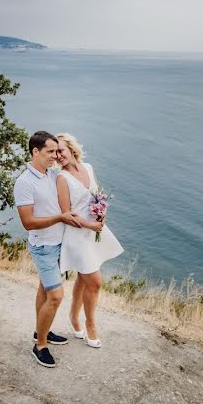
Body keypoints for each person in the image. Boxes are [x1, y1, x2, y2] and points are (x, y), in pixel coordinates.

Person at [14, 130, 82, 368]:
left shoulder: (52, 175)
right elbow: (28, 222)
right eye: (50, 152)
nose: (55, 156)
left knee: (44, 290)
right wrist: (60, 218)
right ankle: (40, 345)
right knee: (56, 296)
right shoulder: (24, 182)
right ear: (35, 151)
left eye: (56, 151)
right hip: (43, 246)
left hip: (58, 244)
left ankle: (40, 331)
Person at [55, 133, 124, 348]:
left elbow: (97, 196)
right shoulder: (62, 178)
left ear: (71, 148)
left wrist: (102, 213)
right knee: (94, 281)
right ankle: (91, 324)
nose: (58, 156)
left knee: (84, 279)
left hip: (94, 231)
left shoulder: (89, 167)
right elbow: (67, 214)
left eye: (61, 150)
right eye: (55, 152)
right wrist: (90, 225)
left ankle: (73, 317)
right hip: (77, 236)